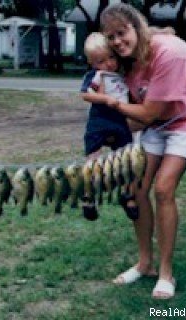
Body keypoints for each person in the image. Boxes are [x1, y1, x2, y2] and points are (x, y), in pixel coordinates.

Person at [90, 3, 186, 299]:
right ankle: (145, 263)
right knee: (135, 189)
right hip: (160, 119)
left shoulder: (167, 52)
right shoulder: (124, 61)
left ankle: (165, 272)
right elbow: (140, 117)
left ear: (136, 26)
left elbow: (145, 114)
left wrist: (110, 106)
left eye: (122, 33)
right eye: (111, 37)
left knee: (163, 189)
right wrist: (103, 136)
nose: (117, 41)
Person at [80, 32, 137, 221]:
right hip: (99, 122)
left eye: (111, 57)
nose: (108, 64)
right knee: (93, 160)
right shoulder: (97, 75)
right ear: (93, 64)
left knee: (127, 161)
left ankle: (128, 196)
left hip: (120, 122)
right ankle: (89, 197)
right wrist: (105, 98)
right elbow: (85, 95)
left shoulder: (122, 74)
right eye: (101, 61)